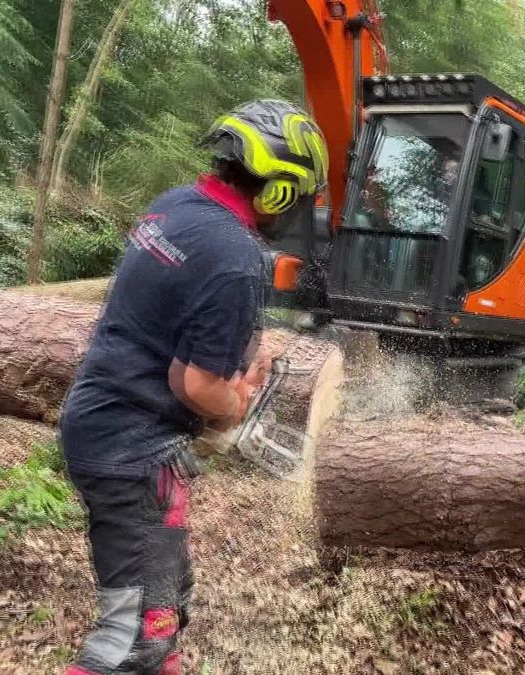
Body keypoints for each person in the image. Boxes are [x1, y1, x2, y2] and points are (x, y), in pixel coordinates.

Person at [59, 99, 329, 675]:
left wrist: (245, 353)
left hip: (103, 424)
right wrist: (234, 405)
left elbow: (178, 311)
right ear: (279, 190)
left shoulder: (176, 206)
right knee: (137, 637)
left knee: (167, 598)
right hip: (133, 451)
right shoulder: (236, 256)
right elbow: (196, 384)